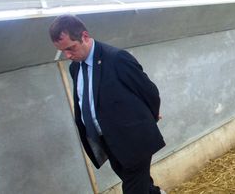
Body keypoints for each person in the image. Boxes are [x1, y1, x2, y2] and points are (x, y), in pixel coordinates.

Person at [49, 14, 166, 194]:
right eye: (62, 51)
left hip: (134, 139)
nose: (67, 55)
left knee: (134, 188)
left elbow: (149, 91)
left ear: (85, 37)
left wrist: (150, 118)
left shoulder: (116, 58)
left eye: (71, 48)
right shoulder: (75, 68)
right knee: (140, 184)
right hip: (108, 141)